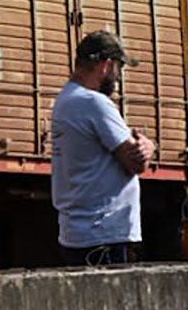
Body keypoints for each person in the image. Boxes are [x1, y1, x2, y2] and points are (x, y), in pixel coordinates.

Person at [50, 30, 154, 266]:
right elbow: (136, 163)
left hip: (76, 235)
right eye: (119, 68)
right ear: (106, 66)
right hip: (104, 234)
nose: (118, 77)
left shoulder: (65, 100)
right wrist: (150, 147)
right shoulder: (94, 103)